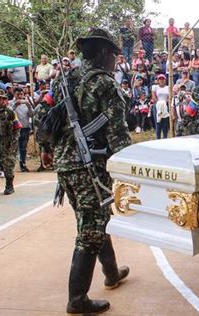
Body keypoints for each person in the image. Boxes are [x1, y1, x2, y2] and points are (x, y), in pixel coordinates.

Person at [40, 28, 131, 314]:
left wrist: (47, 149)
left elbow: (49, 120)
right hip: (89, 166)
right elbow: (119, 137)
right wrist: (128, 172)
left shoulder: (67, 79)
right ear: (104, 53)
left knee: (94, 220)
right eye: (114, 55)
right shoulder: (105, 84)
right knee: (91, 230)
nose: (116, 60)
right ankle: (77, 299)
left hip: (65, 166)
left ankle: (112, 273)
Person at [0, 89, 21, 195]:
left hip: (7, 143)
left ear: (4, 99)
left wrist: (13, 142)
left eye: (0, 98)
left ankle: (9, 186)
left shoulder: (9, 112)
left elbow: (17, 127)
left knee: (8, 164)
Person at [12, 88, 34, 172]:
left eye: (21, 94)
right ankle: (14, 163)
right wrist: (15, 105)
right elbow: (9, 114)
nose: (20, 96)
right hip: (15, 128)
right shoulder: (11, 103)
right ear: (14, 94)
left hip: (25, 127)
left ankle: (23, 163)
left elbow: (32, 115)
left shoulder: (26, 103)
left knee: (23, 147)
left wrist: (28, 106)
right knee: (15, 147)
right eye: (18, 94)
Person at [151, 74, 170, 139]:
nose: (161, 80)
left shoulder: (168, 87)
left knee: (165, 124)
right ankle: (158, 138)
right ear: (158, 80)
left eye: (163, 79)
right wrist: (159, 103)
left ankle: (165, 138)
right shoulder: (154, 87)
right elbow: (153, 96)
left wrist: (165, 103)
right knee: (158, 123)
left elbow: (169, 96)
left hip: (166, 105)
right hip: (157, 105)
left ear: (165, 80)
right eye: (160, 79)